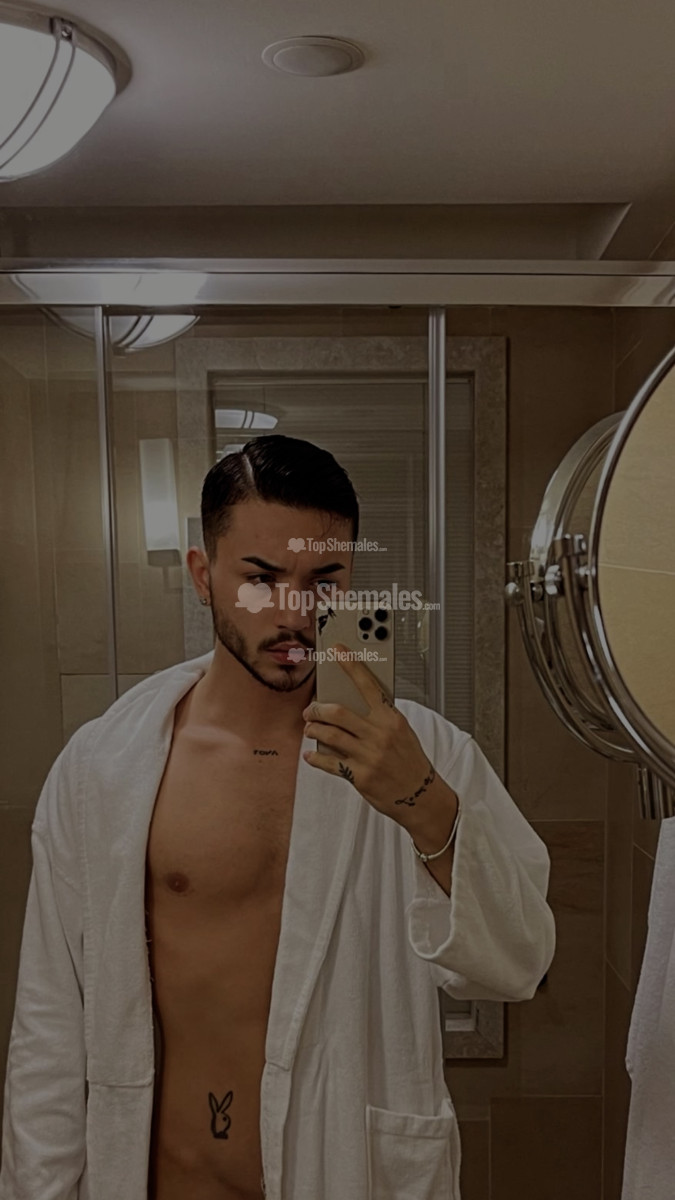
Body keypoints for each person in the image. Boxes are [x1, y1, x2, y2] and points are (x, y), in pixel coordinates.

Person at [0, 435, 555, 1200]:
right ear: (204, 576)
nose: (296, 613)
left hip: (344, 1176)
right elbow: (50, 1026)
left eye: (324, 580)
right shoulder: (103, 768)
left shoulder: (427, 755)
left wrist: (425, 806)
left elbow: (520, 962)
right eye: (261, 578)